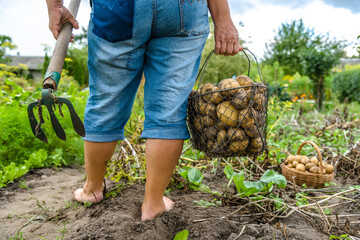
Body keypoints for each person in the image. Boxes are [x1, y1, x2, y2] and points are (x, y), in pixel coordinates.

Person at [46, 0, 242, 221]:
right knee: (168, 109)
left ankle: (92, 189)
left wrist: (54, 7)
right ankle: (153, 204)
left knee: (106, 101)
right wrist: (223, 19)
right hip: (182, 9)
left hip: (117, 8)